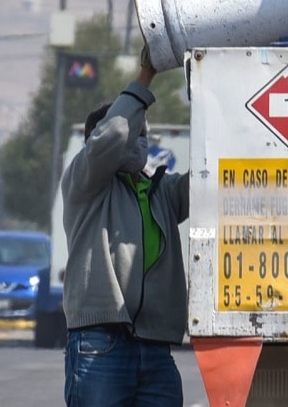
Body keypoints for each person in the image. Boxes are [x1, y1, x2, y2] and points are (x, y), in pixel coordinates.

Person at [62, 44, 190, 407]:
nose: (139, 141)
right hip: (101, 344)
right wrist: (145, 75)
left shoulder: (160, 192)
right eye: (134, 133)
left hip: (154, 347)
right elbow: (113, 136)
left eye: (144, 135)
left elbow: (208, 177)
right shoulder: (86, 183)